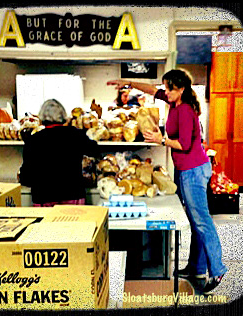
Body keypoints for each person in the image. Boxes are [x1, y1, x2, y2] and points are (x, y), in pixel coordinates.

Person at [107, 69, 227, 293]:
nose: (166, 91)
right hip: (186, 170)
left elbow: (185, 145)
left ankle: (217, 269)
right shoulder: (174, 100)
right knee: (194, 222)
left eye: (169, 88)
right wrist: (128, 83)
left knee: (202, 221)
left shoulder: (184, 110)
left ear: (180, 89)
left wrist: (161, 139)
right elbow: (153, 90)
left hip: (194, 170)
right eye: (166, 87)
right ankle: (196, 267)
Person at [18, 99, 99, 207]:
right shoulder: (74, 134)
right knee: (75, 224)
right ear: (63, 116)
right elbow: (94, 150)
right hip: (73, 195)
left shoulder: (34, 140)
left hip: (44, 198)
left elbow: (26, 177)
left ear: (42, 118)